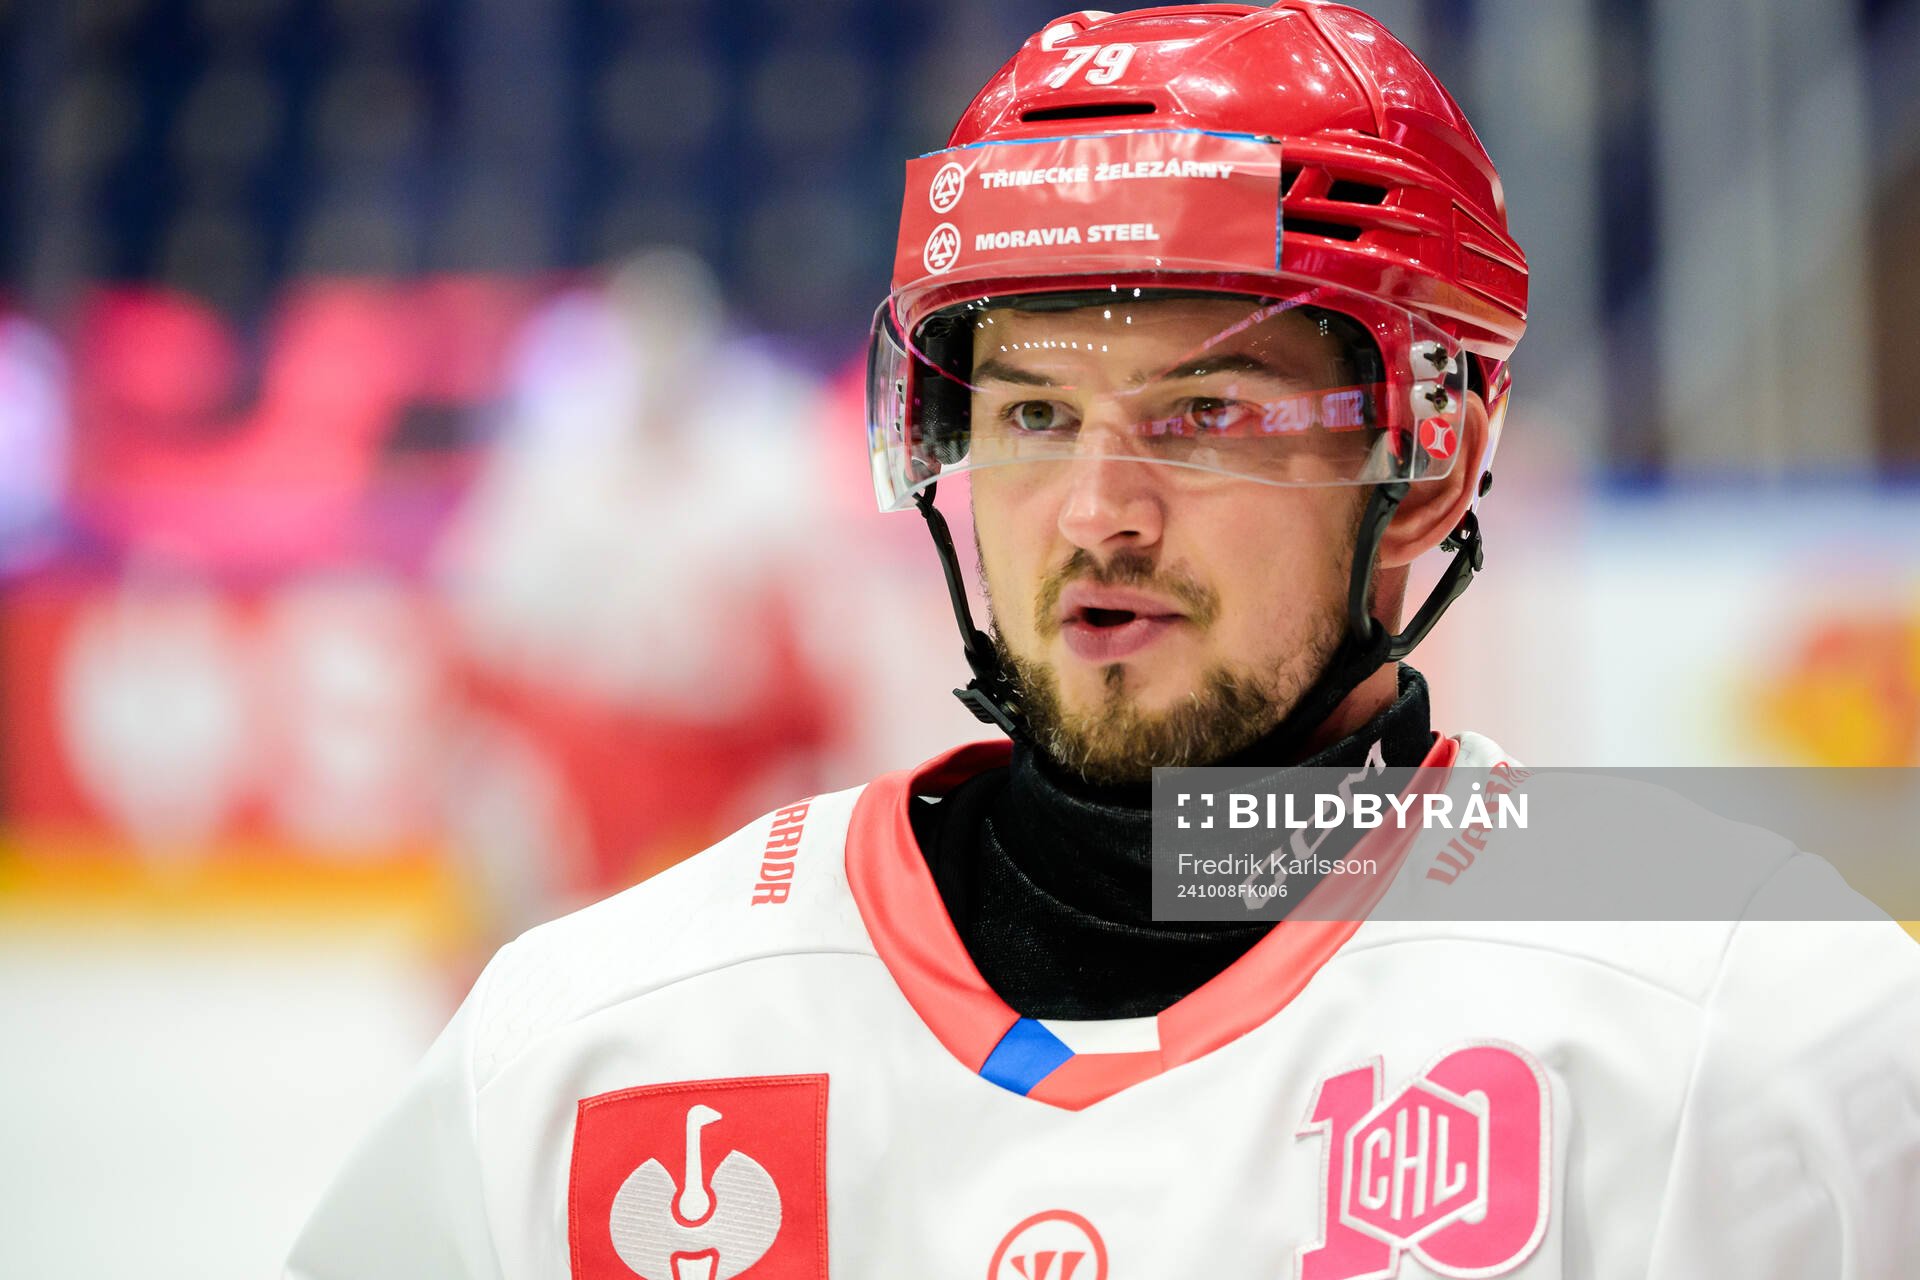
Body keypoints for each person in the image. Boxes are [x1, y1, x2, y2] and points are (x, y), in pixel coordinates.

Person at [287, 5, 1920, 1278]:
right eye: (1033, 410)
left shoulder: (1768, 1031)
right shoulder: (596, 1042)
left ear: (1431, 456)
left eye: (1203, 413)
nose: (1094, 512)